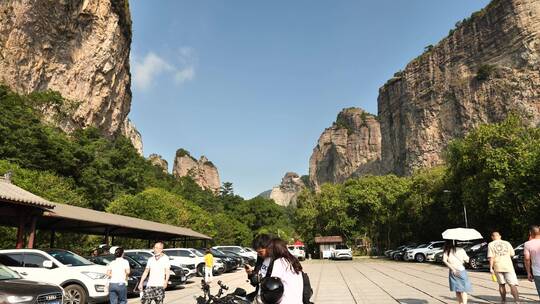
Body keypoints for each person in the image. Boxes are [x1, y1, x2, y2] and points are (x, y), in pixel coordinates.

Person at [259, 237, 304, 304]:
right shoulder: (292, 260)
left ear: (273, 250)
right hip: (298, 300)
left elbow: (272, 285)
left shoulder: (279, 262)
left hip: (286, 301)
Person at [488, 231, 519, 303]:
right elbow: (512, 254)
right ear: (500, 236)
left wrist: (491, 268)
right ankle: (517, 301)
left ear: (492, 237)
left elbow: (491, 257)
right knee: (512, 285)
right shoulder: (507, 243)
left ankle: (503, 301)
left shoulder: (490, 244)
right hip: (508, 266)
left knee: (501, 284)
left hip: (498, 266)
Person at [245, 234, 274, 302]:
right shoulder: (260, 259)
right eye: (257, 252)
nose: (259, 255)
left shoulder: (276, 261)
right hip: (259, 296)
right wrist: (250, 273)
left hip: (270, 298)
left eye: (261, 252)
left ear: (269, 247)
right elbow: (254, 283)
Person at [442, 240, 472, 304]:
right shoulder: (461, 249)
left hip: (453, 272)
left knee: (457, 290)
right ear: (456, 242)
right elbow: (467, 260)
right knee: (464, 290)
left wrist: (453, 269)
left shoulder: (447, 250)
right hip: (461, 270)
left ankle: (460, 303)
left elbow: (444, 260)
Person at [524, 225, 540, 298]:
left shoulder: (527, 244)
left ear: (530, 233)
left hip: (537, 272)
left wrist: (528, 272)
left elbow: (527, 258)